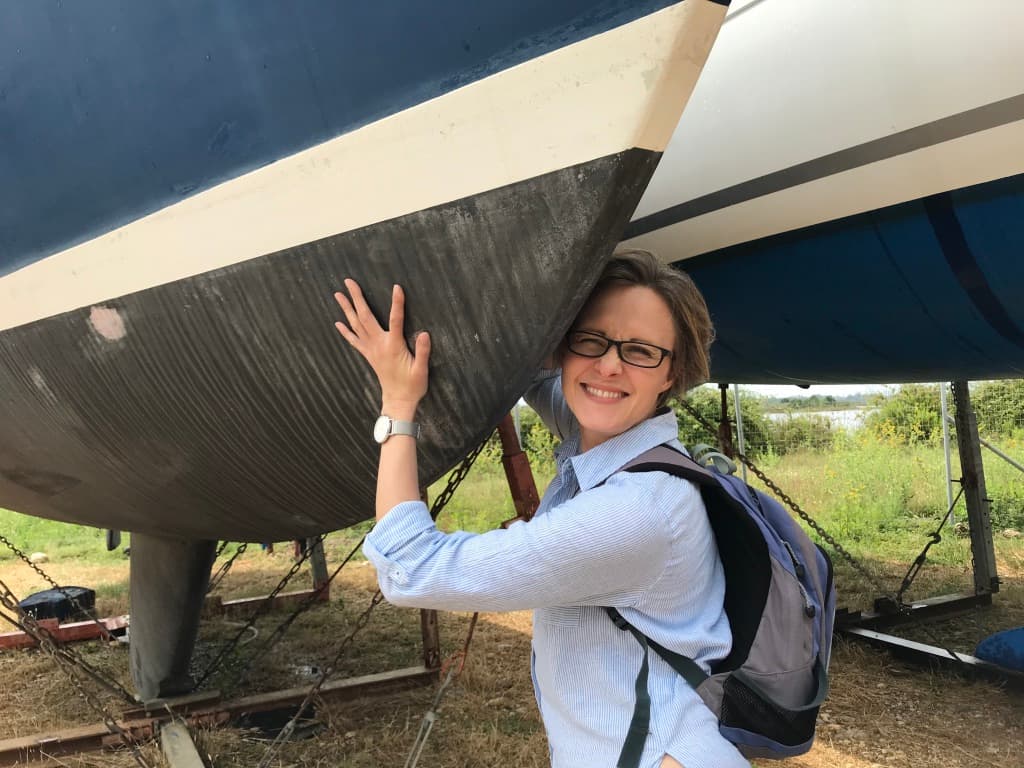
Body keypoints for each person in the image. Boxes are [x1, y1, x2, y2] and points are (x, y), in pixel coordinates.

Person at [333, 249, 748, 768]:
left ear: (673, 373)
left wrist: (397, 403)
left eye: (641, 351)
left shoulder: (636, 512)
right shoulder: (606, 438)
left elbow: (410, 567)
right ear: (565, 350)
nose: (609, 365)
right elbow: (543, 381)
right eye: (591, 340)